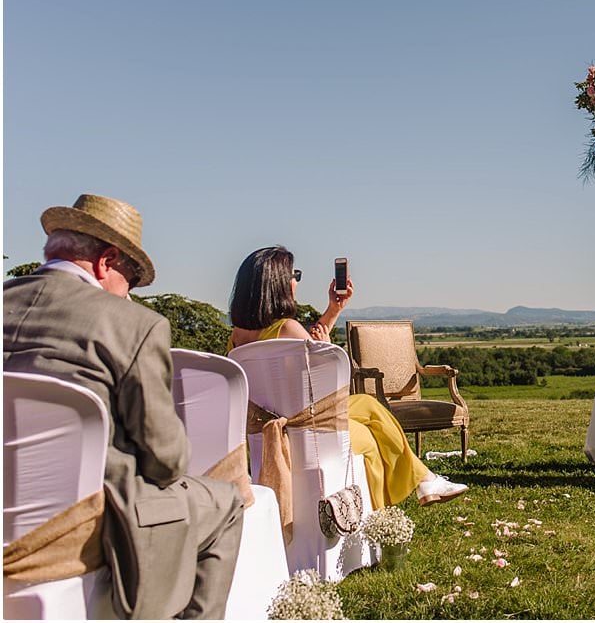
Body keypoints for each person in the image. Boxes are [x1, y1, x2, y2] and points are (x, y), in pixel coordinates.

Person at [4, 194, 244, 619]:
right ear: (106, 262)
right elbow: (166, 462)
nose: (128, 295)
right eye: (131, 282)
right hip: (86, 522)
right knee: (225, 501)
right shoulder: (131, 325)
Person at [227, 246, 466, 508]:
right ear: (279, 283)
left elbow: (294, 354)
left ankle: (425, 480)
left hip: (267, 436)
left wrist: (333, 310)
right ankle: (406, 493)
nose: (296, 281)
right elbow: (326, 389)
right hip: (310, 436)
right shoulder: (289, 328)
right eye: (294, 275)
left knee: (367, 404)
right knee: (372, 433)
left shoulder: (238, 339)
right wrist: (327, 346)